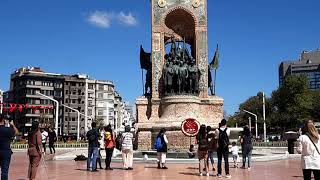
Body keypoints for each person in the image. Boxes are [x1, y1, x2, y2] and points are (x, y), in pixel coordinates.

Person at [0, 114, 18, 180]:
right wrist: (12, 124)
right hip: (6, 152)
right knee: (4, 171)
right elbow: (16, 132)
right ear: (3, 120)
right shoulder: (8, 129)